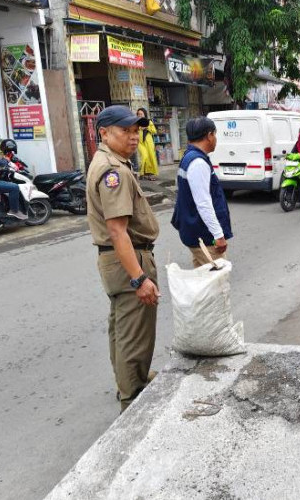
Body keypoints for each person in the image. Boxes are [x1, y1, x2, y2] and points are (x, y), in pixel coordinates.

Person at [86, 105, 161, 412]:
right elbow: (118, 231)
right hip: (128, 261)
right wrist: (139, 278)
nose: (133, 137)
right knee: (134, 335)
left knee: (121, 328)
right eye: (125, 131)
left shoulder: (108, 162)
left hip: (116, 261)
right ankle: (132, 400)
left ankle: (131, 380)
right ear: (104, 133)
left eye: (135, 131)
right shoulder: (113, 171)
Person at [171, 117, 233, 268]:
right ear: (209, 135)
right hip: (205, 235)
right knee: (217, 281)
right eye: (215, 135)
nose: (216, 139)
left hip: (195, 232)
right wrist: (218, 235)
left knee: (202, 281)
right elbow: (203, 202)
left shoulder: (189, 157)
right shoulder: (198, 162)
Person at [136, 108, 159, 181]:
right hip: (140, 142)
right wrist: (139, 128)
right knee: (145, 156)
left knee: (151, 157)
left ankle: (149, 174)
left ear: (144, 114)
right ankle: (142, 173)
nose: (140, 115)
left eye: (141, 114)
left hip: (148, 142)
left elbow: (154, 131)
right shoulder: (136, 122)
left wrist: (146, 127)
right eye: (138, 114)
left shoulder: (149, 122)